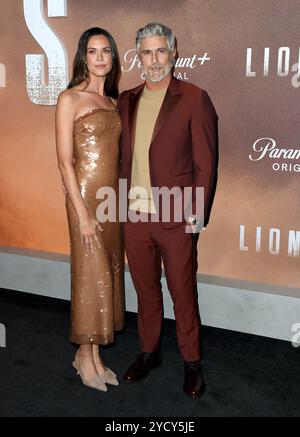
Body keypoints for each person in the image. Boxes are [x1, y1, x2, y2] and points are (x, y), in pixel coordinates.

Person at [118, 22, 218, 397]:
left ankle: (192, 362)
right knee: (145, 291)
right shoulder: (126, 99)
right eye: (147, 52)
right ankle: (149, 352)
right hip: (133, 215)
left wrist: (196, 211)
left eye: (161, 51)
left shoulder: (194, 98)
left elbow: (206, 164)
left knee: (182, 291)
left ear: (174, 53)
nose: (154, 59)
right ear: (138, 56)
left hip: (176, 216)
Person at [55, 27, 125, 392]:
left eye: (106, 51)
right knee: (89, 272)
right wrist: (82, 212)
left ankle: (96, 355)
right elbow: (65, 162)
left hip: (111, 201)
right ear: (83, 56)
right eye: (93, 51)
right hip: (83, 198)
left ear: (113, 58)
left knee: (107, 273)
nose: (100, 58)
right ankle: (83, 354)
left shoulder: (112, 103)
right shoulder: (70, 98)